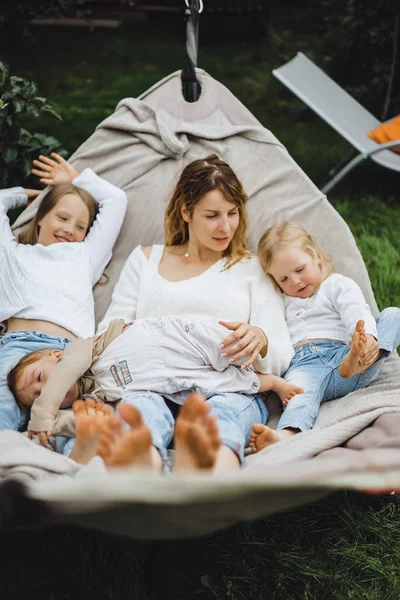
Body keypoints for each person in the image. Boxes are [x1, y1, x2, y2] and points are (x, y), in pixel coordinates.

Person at [95, 154, 294, 471]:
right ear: (186, 211)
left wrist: (260, 339)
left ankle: (205, 496)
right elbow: (108, 335)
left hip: (228, 390)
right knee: (139, 417)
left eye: (233, 213)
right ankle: (136, 491)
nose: (225, 226)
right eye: (212, 215)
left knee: (218, 424)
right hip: (150, 384)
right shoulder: (145, 260)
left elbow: (282, 352)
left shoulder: (252, 268)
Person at [7, 316, 302, 469]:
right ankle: (273, 383)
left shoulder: (82, 351)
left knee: (225, 348)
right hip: (173, 379)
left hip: (176, 338)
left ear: (53, 356)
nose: (45, 389)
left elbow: (65, 372)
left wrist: (42, 414)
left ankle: (271, 383)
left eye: (40, 377)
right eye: (36, 394)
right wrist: (55, 426)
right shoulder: (93, 396)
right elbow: (101, 419)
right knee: (229, 381)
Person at [0, 153, 127, 434]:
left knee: (75, 423)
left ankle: (76, 469)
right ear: (41, 217)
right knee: (4, 410)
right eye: (62, 217)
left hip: (69, 353)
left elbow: (116, 200)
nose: (69, 229)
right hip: (16, 349)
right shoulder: (11, 253)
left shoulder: (85, 256)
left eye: (80, 226)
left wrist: (76, 179)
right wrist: (24, 195)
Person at [249, 222, 400, 452]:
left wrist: (366, 337)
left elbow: (355, 310)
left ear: (316, 257)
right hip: (305, 364)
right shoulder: (281, 301)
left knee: (393, 315)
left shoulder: (335, 284)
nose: (295, 282)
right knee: (298, 393)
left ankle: (368, 354)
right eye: (284, 279)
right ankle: (287, 434)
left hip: (345, 353)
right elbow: (274, 334)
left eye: (299, 270)